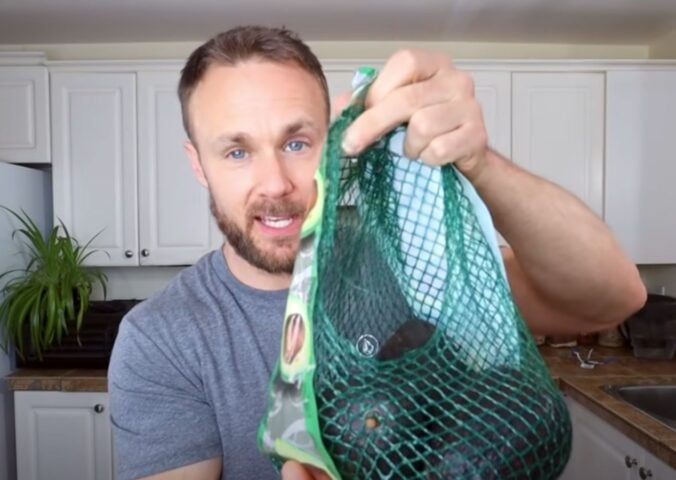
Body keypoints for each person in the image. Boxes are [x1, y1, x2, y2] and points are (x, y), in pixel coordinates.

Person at [108, 25, 646, 480]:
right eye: (236, 150)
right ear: (198, 164)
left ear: (336, 138)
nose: (275, 183)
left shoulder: (408, 259)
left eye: (297, 143)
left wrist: (480, 162)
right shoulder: (163, 338)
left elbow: (610, 299)